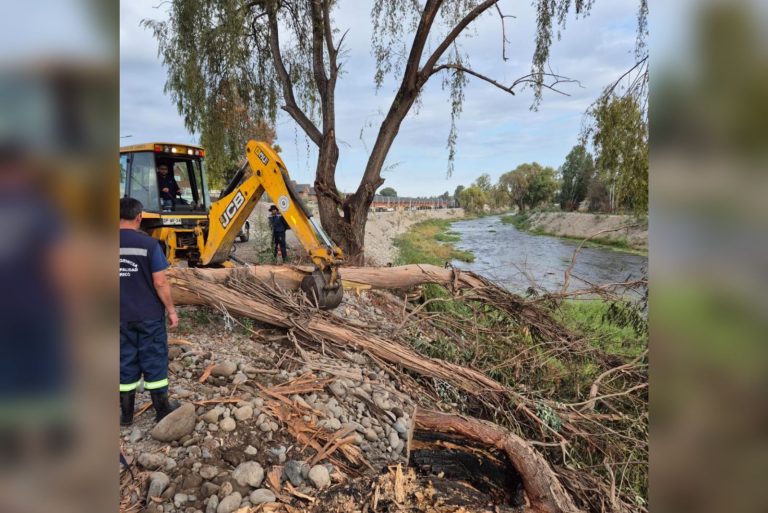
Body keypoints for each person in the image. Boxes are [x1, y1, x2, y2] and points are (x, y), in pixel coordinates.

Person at [119, 197, 179, 425]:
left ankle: (125, 416)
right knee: (153, 358)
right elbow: (161, 283)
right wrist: (171, 310)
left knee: (124, 360)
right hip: (148, 315)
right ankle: (162, 410)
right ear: (138, 217)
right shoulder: (149, 245)